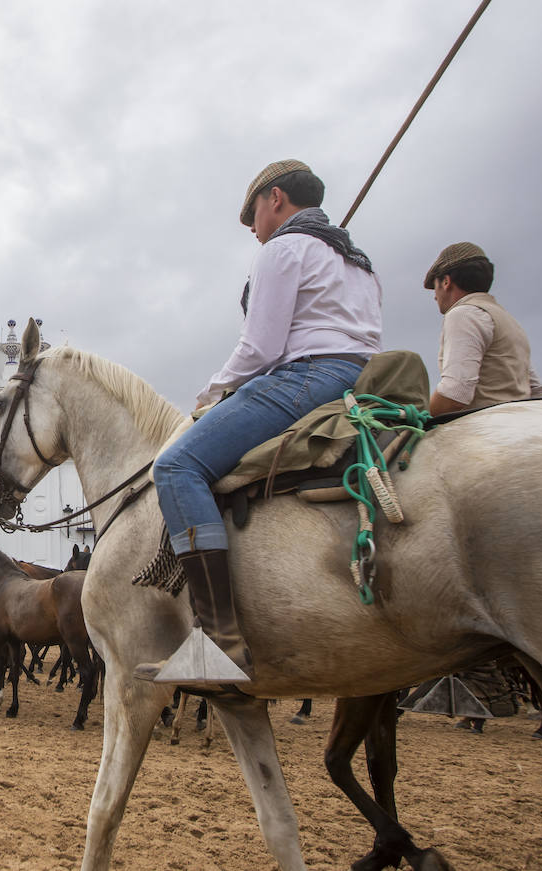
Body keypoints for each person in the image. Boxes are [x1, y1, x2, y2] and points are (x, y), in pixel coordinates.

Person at [136, 160, 383, 688]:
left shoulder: (284, 249)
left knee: (178, 465)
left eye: (252, 213)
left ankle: (218, 640)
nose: (251, 226)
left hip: (307, 378)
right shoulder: (356, 260)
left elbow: (262, 348)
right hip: (363, 380)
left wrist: (211, 393)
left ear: (275, 198)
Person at [424, 242, 542, 415]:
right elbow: (535, 388)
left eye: (434, 287)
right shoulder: (509, 320)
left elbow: (455, 393)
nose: (435, 297)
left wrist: (419, 417)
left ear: (446, 282)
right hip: (521, 421)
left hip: (480, 428)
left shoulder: (463, 314)